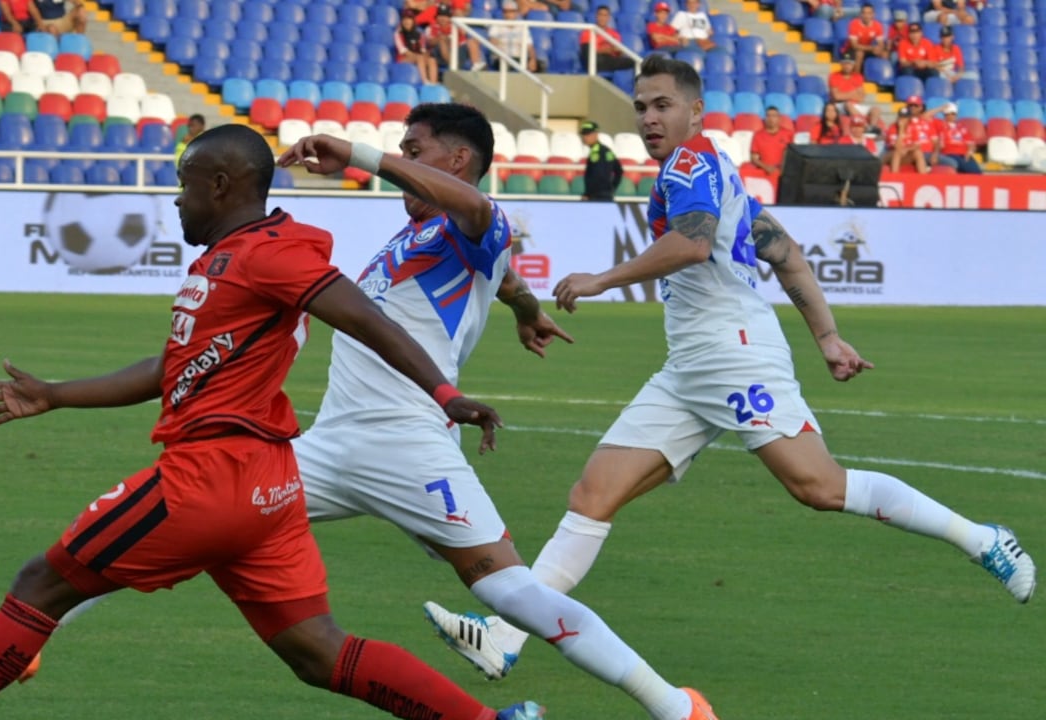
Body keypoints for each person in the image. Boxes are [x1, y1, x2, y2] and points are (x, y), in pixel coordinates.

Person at [0, 104, 724, 720]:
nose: (403, 164)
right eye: (400, 151)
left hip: (411, 445)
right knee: (197, 538)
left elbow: (483, 224)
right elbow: (496, 271)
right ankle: (13, 640)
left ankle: (672, 705)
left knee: (507, 591)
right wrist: (516, 304)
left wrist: (366, 156)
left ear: (458, 161)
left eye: (416, 152)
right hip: (325, 447)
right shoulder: (417, 243)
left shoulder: (475, 219)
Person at [0, 124, 544, 720]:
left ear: (221, 184)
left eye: (185, 184)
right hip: (268, 490)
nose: (176, 199)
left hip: (209, 480)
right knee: (317, 652)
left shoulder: (271, 253)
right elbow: (171, 368)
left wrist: (444, 396)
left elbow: (357, 314)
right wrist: (57, 394)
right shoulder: (228, 261)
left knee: (42, 584)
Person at [423, 53, 1037, 684]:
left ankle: (983, 538)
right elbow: (786, 253)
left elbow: (690, 243)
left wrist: (604, 278)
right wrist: (826, 336)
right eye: (640, 107)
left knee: (820, 487)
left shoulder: (691, 164)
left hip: (732, 352)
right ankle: (503, 636)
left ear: (696, 111)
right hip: (692, 365)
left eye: (662, 105)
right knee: (593, 493)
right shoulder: (718, 170)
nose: (649, 118)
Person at [428, 5, 485, 71]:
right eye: (440, 15)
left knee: (472, 41)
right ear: (437, 17)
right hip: (441, 55)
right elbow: (430, 43)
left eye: (445, 16)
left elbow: (464, 36)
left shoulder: (455, 25)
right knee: (442, 42)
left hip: (458, 52)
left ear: (450, 18)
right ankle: (452, 66)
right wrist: (441, 38)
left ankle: (476, 65)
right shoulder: (433, 27)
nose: (442, 18)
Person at [487, 0, 538, 72]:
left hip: (518, 58)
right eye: (506, 11)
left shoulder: (522, 26)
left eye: (511, 11)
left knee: (538, 65)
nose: (508, 14)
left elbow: (529, 46)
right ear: (503, 13)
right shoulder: (496, 25)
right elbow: (493, 42)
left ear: (516, 12)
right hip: (502, 58)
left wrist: (533, 59)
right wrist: (500, 53)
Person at [579, 6, 633, 73]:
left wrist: (618, 51)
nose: (602, 18)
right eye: (600, 15)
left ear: (608, 17)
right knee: (595, 58)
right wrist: (603, 50)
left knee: (632, 61)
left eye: (605, 15)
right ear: (596, 16)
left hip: (610, 59)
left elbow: (618, 52)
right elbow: (587, 52)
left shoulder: (614, 34)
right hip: (595, 59)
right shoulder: (588, 32)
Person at [748, 106, 793, 183]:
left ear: (779, 118)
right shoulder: (758, 135)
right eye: (768, 116)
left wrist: (782, 167)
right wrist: (766, 167)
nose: (771, 119)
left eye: (774, 116)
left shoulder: (788, 134)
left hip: (783, 172)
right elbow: (754, 158)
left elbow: (791, 155)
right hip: (764, 172)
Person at [579, 120, 622, 200]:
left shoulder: (597, 152)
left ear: (596, 134)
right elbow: (619, 170)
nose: (584, 137)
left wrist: (588, 193)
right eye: (583, 134)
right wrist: (611, 189)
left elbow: (596, 176)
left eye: (588, 134)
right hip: (606, 195)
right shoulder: (606, 150)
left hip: (596, 197)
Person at [395, 10, 440, 85]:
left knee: (431, 59)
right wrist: (419, 56)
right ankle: (425, 82)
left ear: (413, 21)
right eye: (405, 19)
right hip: (403, 59)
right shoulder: (398, 34)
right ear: (402, 21)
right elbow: (403, 51)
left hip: (418, 57)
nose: (407, 21)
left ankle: (433, 83)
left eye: (409, 19)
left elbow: (422, 49)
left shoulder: (420, 34)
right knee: (420, 57)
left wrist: (426, 55)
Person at [934, 102, 981, 173]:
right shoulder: (940, 124)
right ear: (945, 115)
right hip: (949, 153)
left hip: (964, 154)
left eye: (954, 113)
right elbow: (925, 116)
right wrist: (940, 108)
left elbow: (971, 143)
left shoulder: (962, 127)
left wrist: (970, 152)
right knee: (968, 169)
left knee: (977, 172)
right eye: (949, 114)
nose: (952, 116)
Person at [844, 5, 887, 75]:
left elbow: (881, 43)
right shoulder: (854, 23)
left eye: (869, 13)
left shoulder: (877, 25)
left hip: (867, 48)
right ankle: (856, 77)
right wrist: (872, 48)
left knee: (884, 54)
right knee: (860, 53)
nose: (866, 16)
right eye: (864, 13)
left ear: (873, 14)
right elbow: (854, 45)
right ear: (861, 14)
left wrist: (879, 49)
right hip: (851, 49)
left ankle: (878, 77)